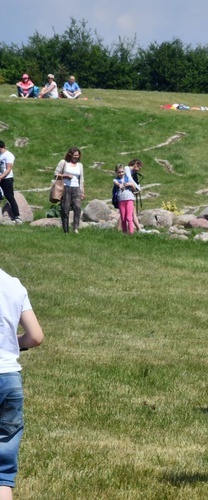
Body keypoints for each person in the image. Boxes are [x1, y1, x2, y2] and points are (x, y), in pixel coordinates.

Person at [0, 269, 45, 499]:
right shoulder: (13, 285)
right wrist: (13, 343)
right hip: (9, 379)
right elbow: (35, 336)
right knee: (2, 473)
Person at [54, 147, 85, 234]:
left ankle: (75, 228)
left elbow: (81, 179)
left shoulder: (80, 165)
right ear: (70, 155)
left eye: (77, 156)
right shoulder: (63, 163)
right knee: (65, 208)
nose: (76, 157)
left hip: (76, 188)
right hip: (65, 187)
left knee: (77, 207)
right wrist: (66, 176)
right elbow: (55, 174)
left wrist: (82, 191)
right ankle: (65, 230)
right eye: (74, 155)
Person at [113, 164, 140, 234]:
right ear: (116, 172)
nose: (121, 173)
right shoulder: (116, 180)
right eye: (119, 172)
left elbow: (134, 190)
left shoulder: (128, 179)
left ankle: (131, 232)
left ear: (124, 172)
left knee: (129, 217)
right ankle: (124, 233)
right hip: (121, 200)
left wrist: (130, 185)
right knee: (123, 218)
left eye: (122, 172)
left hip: (129, 199)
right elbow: (116, 182)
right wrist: (119, 185)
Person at [0, 142, 22, 224]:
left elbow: (8, 169)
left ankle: (17, 216)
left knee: (9, 197)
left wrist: (1, 177)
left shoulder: (8, 155)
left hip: (7, 178)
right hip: (1, 177)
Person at [126, 159, 143, 232]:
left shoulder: (133, 172)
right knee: (131, 211)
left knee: (131, 211)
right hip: (125, 194)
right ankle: (137, 230)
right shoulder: (127, 169)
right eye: (139, 167)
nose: (139, 169)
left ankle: (139, 229)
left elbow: (134, 181)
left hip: (129, 193)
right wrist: (138, 188)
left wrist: (137, 187)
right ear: (135, 164)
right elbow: (129, 179)